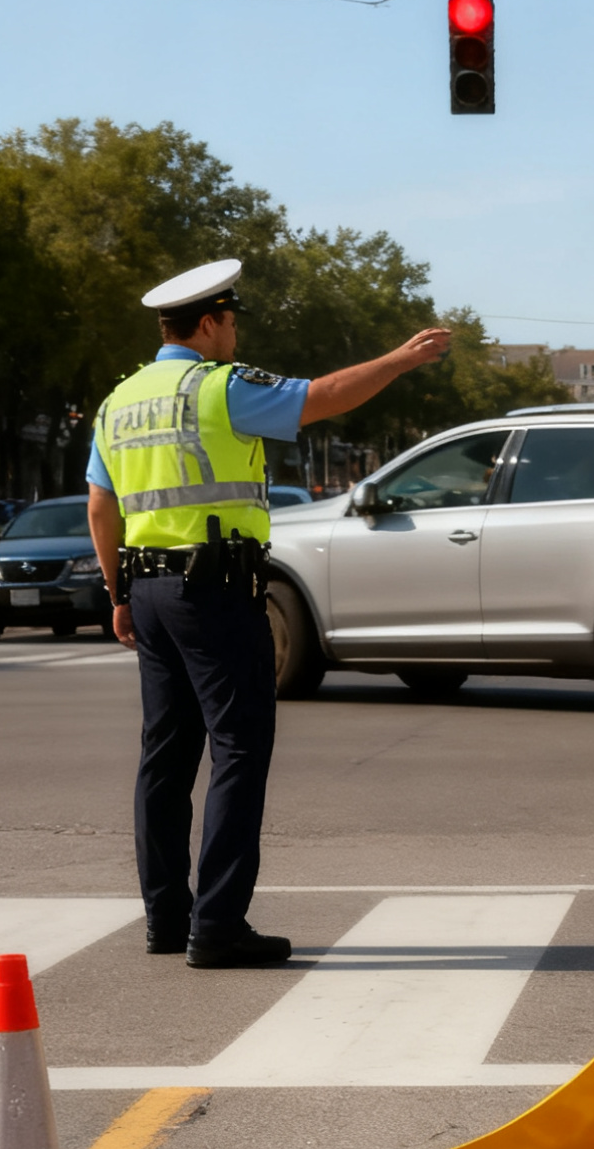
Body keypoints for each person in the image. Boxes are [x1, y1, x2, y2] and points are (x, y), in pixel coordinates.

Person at [87, 259, 452, 968]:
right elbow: (323, 396)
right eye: (230, 322)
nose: (233, 335)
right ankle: (217, 925)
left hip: (152, 591)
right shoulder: (220, 388)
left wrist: (118, 595)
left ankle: (167, 918)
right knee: (238, 751)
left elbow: (101, 506)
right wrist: (400, 361)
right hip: (214, 591)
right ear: (209, 322)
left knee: (164, 758)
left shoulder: (118, 400)